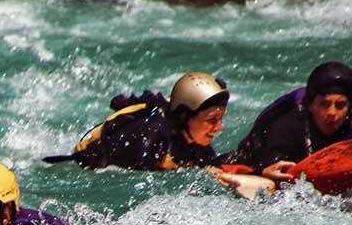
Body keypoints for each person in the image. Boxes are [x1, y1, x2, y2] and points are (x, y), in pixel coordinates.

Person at [43, 71, 232, 171]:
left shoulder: (196, 143)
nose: (218, 128)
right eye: (212, 120)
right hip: (83, 165)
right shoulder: (147, 140)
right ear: (184, 116)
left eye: (220, 119)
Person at [232, 61, 352, 183]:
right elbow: (268, 166)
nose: (332, 112)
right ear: (311, 105)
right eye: (324, 104)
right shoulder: (285, 125)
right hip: (252, 160)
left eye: (340, 105)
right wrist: (264, 171)